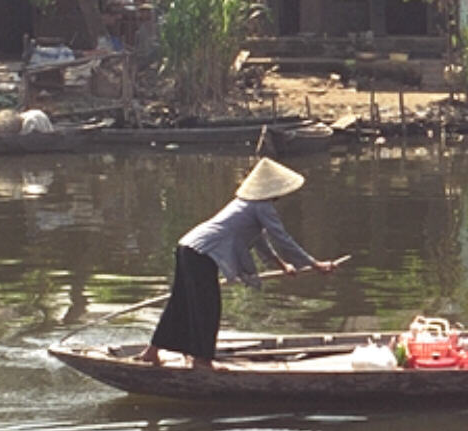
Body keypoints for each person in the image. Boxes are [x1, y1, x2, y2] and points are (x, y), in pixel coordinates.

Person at [141, 157, 334, 368]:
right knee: (207, 306)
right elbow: (282, 238)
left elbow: (260, 241)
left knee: (180, 303)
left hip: (187, 247)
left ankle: (152, 352)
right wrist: (315, 264)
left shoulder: (245, 204)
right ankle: (201, 360)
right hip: (201, 254)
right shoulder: (262, 206)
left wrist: (282, 265)